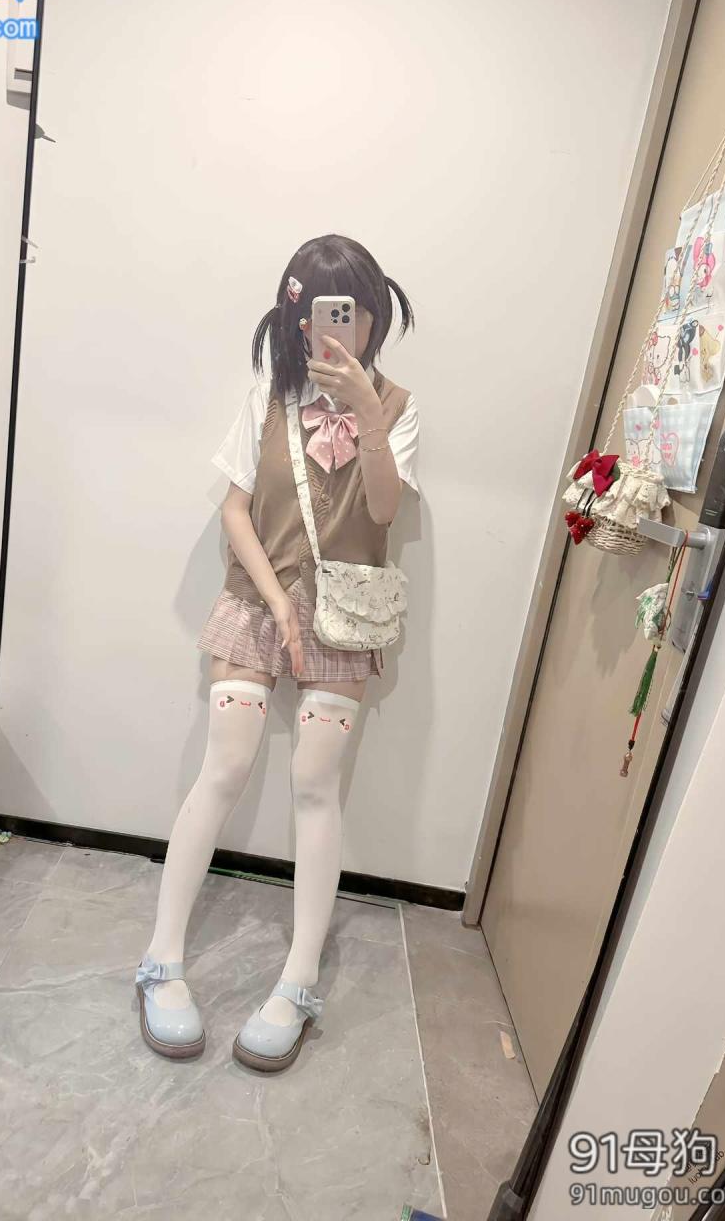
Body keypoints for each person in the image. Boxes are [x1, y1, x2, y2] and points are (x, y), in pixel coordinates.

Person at [134, 234, 419, 1072]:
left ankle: (298, 982)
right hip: (259, 603)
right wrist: (277, 603)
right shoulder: (266, 393)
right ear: (293, 316)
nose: (331, 329)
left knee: (315, 786)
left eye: (350, 313)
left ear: (373, 317)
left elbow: (383, 510)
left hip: (344, 615)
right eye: (315, 313)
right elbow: (234, 509)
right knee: (225, 767)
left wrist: (367, 412)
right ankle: (161, 959)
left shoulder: (401, 407)